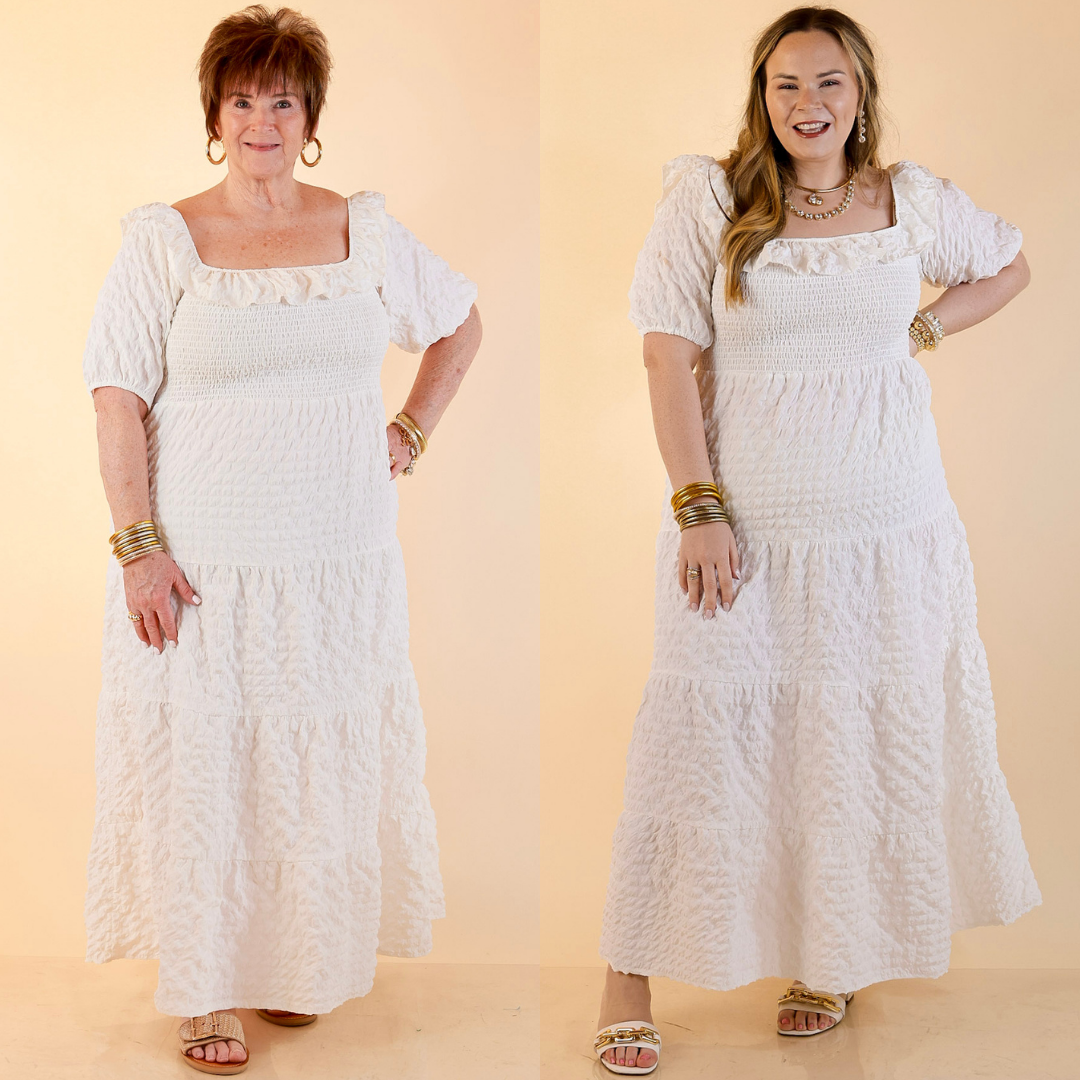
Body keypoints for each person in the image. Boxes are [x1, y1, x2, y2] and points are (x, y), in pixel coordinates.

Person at [593, 7, 1039, 1074]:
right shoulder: (709, 196)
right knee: (700, 730)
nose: (809, 105)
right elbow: (665, 354)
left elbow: (1010, 267)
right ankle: (624, 975)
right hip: (750, 524)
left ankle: (829, 959)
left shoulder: (908, 197)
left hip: (891, 525)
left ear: (862, 94)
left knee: (845, 736)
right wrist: (696, 503)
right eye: (787, 85)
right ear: (763, 95)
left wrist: (922, 328)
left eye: (829, 83)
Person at [82, 6, 481, 1073]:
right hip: (207, 561)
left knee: (309, 756)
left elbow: (460, 322)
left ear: (311, 118)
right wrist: (139, 547)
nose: (263, 118)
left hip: (339, 559)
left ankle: (291, 961)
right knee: (212, 759)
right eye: (243, 98)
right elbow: (116, 396)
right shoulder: (164, 239)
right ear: (216, 115)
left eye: (284, 100)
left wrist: (410, 429)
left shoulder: (364, 227)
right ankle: (207, 985)